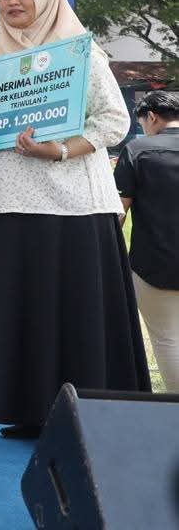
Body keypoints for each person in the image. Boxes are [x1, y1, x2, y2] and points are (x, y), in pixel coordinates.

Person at [0, 0, 149, 436]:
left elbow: (113, 121)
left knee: (66, 312)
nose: (13, 2)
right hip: (6, 206)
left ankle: (78, 419)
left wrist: (58, 151)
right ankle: (33, 411)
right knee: (25, 313)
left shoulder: (79, 53)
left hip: (67, 207)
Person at [116, 90, 179, 390]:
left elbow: (118, 213)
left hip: (154, 264)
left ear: (151, 117)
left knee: (168, 340)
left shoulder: (137, 150)